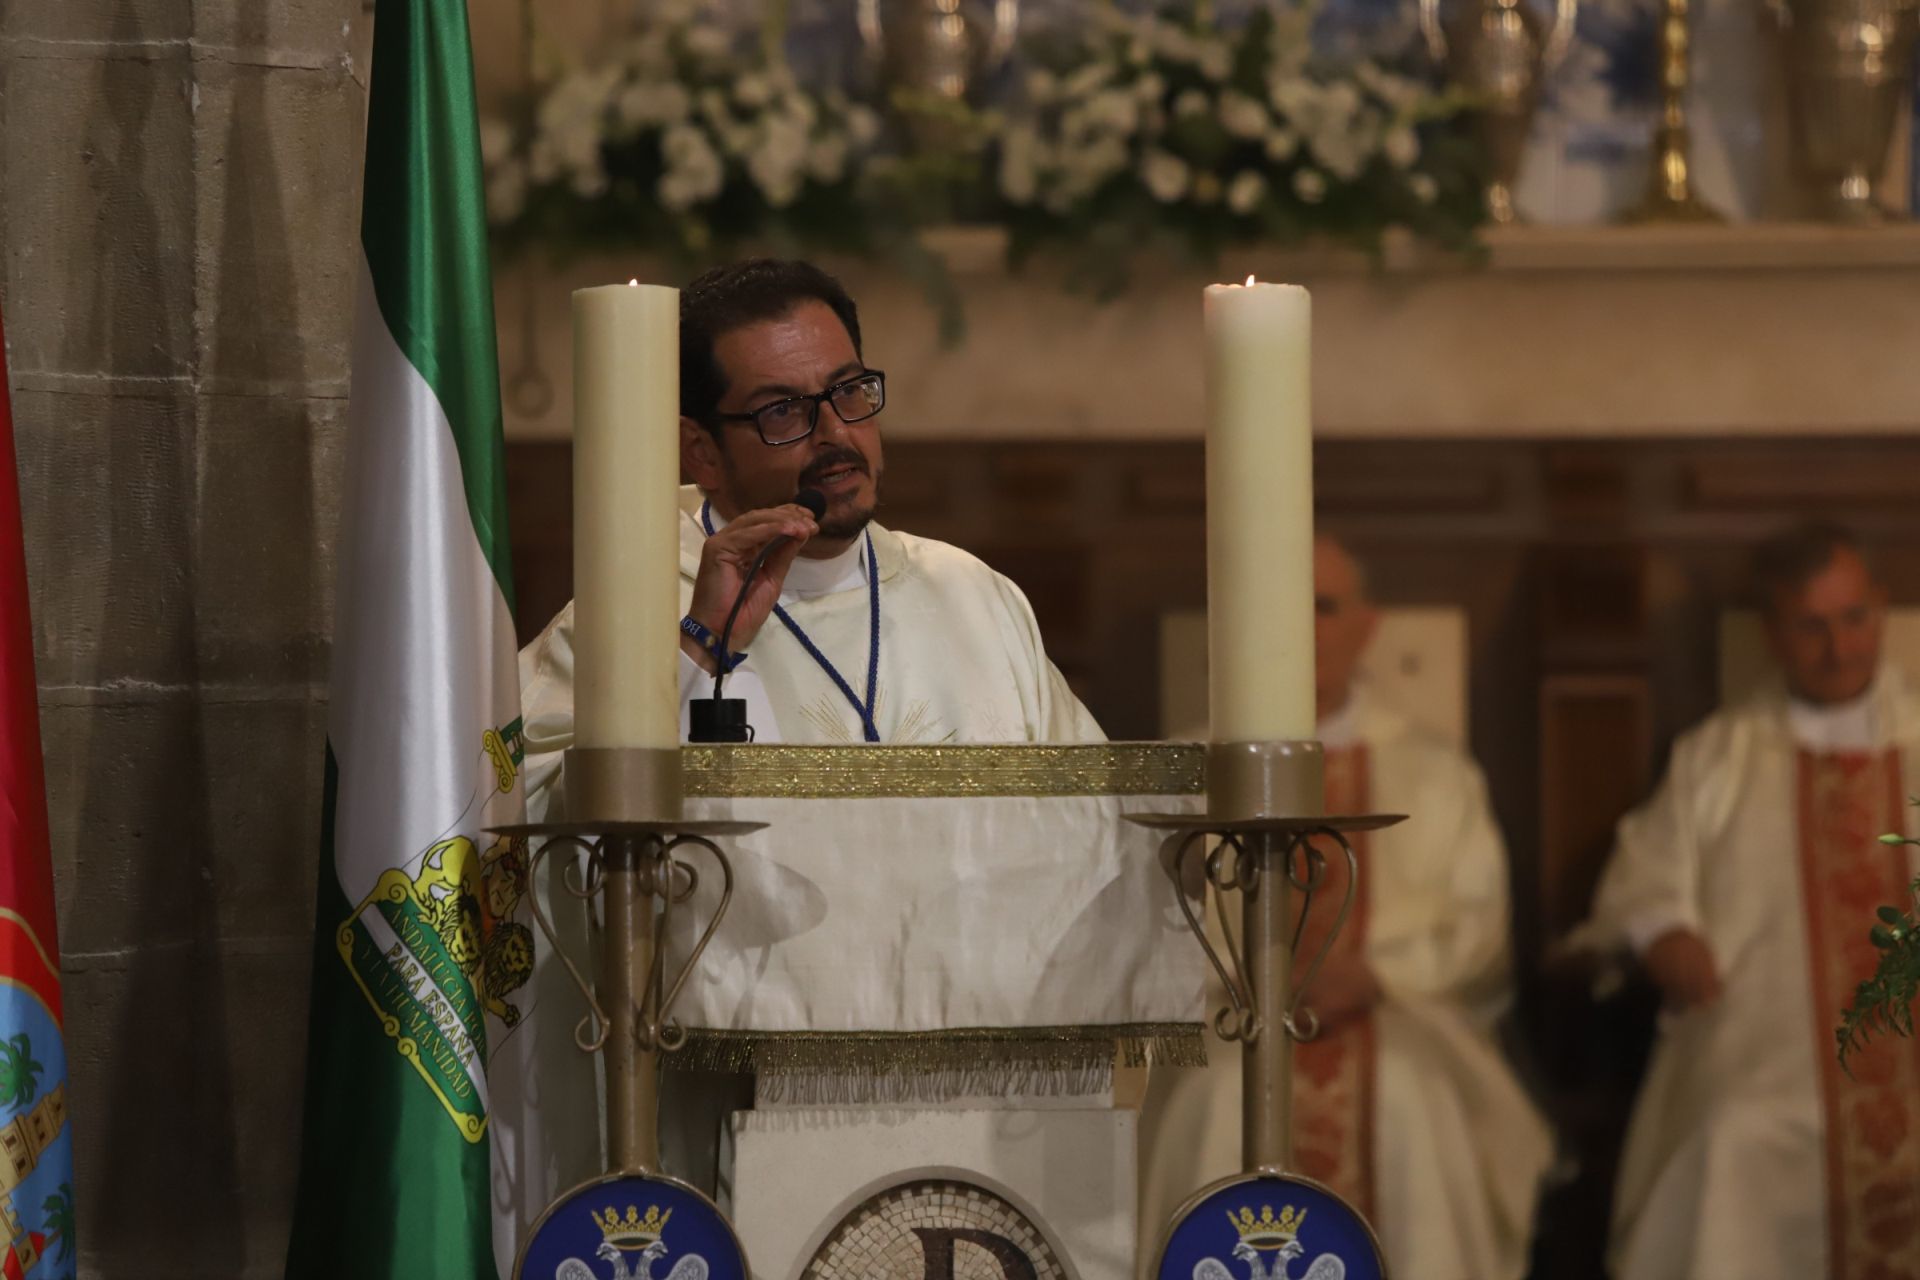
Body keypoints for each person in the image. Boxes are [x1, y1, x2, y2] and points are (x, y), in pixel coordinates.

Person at [520, 257, 1102, 814]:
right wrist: (698, 650)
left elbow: (1095, 819)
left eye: (849, 391)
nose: (833, 432)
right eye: (783, 410)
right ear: (703, 454)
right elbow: (533, 823)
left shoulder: (975, 597)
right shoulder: (621, 627)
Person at [1137, 534, 1551, 1280]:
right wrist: (1248, 980)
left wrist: (1374, 975)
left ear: (1368, 625)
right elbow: (1148, 930)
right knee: (1215, 1104)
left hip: (1398, 1015)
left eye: (1323, 607)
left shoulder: (1435, 773)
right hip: (1227, 1020)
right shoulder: (1190, 769)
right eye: (1278, 609)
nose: (1299, 629)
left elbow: (1478, 929)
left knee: (1412, 1107)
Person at [1581, 520, 1920, 1279]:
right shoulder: (1720, 755)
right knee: (1732, 1135)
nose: (1840, 649)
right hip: (1767, 1036)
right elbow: (1645, 872)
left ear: (1884, 608)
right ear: (1771, 633)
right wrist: (1665, 931)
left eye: (1854, 619)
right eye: (1812, 627)